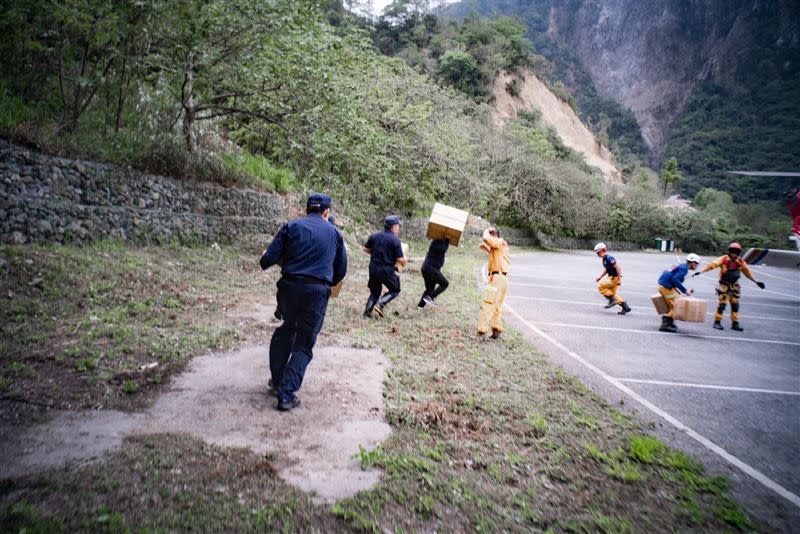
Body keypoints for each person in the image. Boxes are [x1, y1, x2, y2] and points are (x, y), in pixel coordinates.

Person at [260, 193, 347, 411]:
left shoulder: (290, 227)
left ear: (306, 209)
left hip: (289, 288)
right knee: (304, 342)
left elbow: (266, 260)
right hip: (316, 292)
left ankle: (278, 381)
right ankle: (286, 394)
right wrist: (324, 280)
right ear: (327, 212)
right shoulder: (335, 234)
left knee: (286, 331)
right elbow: (340, 272)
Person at [693, 242, 765, 331]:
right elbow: (712, 265)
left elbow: (747, 273)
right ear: (729, 251)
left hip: (735, 287)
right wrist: (701, 271)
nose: (734, 253)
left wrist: (756, 282)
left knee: (735, 305)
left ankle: (735, 323)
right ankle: (717, 322)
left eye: (736, 251)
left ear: (738, 252)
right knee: (722, 305)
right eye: (732, 251)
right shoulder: (723, 259)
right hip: (723, 285)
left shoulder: (740, 262)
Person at [363, 215, 406, 318]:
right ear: (393, 227)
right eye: (398, 226)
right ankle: (380, 304)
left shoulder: (374, 236)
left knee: (375, 292)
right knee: (395, 289)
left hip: (373, 268)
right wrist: (404, 261)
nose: (398, 228)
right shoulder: (395, 240)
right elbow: (400, 259)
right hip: (386, 270)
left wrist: (376, 253)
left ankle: (367, 314)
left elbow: (366, 249)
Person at [477, 227, 510, 339]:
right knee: (497, 305)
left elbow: (486, 239)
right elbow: (496, 254)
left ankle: (482, 331)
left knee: (488, 303)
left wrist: (486, 230)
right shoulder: (501, 245)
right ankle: (496, 330)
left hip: (496, 277)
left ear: (495, 235)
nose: (490, 235)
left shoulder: (499, 241)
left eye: (492, 234)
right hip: (503, 279)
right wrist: (487, 250)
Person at [656, 253, 701, 332]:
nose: (697, 266)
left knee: (674, 304)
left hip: (664, 286)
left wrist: (678, 289)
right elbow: (675, 279)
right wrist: (685, 291)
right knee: (679, 305)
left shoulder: (682, 265)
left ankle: (670, 322)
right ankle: (665, 324)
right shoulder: (684, 268)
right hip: (666, 288)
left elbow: (666, 273)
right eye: (697, 263)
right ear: (693, 263)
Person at [594, 243, 631, 314]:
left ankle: (612, 300)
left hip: (614, 279)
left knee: (601, 287)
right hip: (612, 278)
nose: (598, 254)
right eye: (597, 253)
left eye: (598, 252)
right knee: (613, 294)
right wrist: (600, 277)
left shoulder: (609, 258)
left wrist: (619, 279)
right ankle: (625, 307)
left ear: (603, 250)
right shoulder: (604, 259)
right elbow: (607, 269)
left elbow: (618, 268)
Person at [418, 237, 450, 308]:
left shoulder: (437, 242)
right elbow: (443, 249)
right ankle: (430, 297)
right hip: (431, 269)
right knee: (445, 283)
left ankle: (420, 306)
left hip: (426, 268)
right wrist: (447, 240)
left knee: (429, 289)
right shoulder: (437, 243)